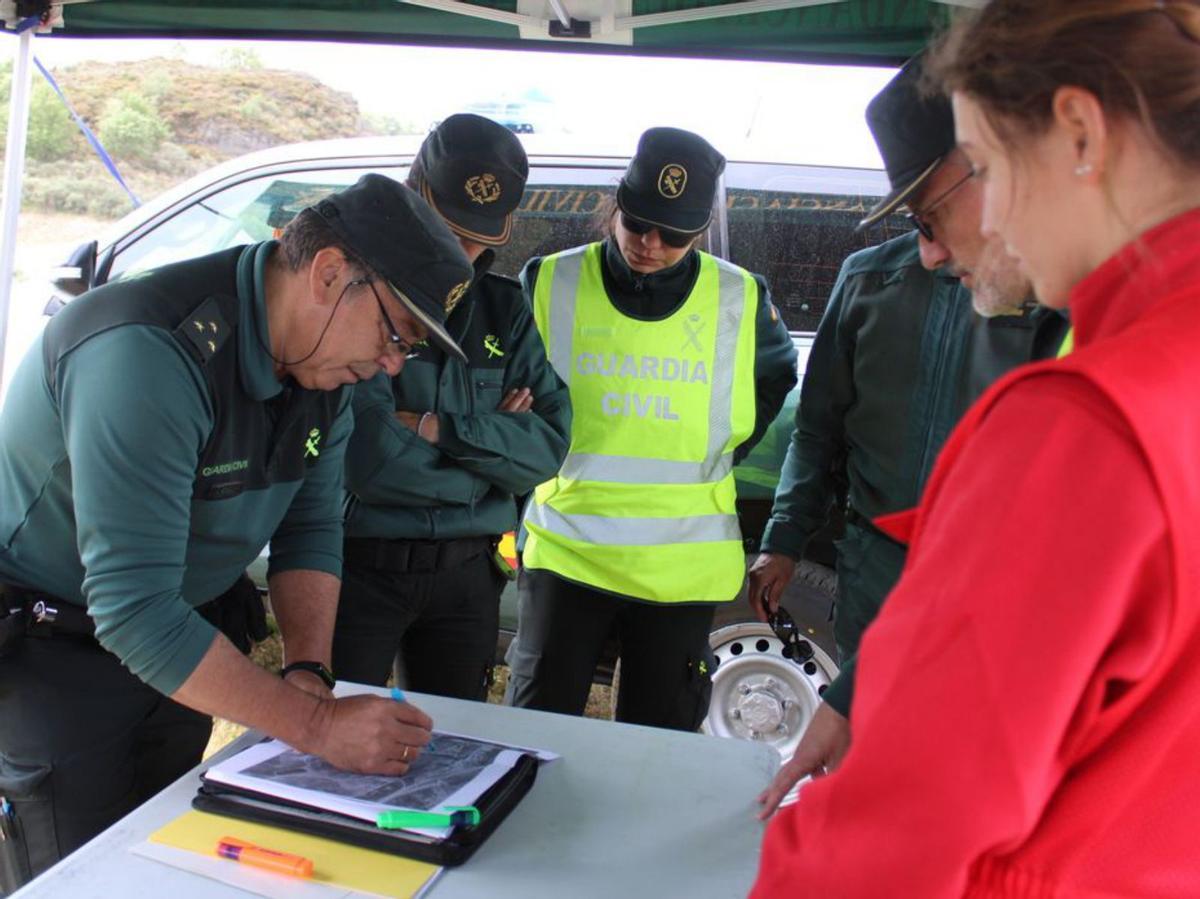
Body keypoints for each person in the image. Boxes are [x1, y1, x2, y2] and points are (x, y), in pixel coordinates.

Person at [753, 1, 1200, 895]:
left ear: (1078, 131)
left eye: (988, 166)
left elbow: (907, 828)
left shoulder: (1082, 421)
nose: (985, 216)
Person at [0, 173, 473, 885]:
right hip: (61, 652)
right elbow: (133, 610)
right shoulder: (149, 352)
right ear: (329, 272)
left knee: (165, 860)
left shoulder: (323, 371)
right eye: (394, 330)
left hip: (185, 644)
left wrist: (309, 672)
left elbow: (311, 524)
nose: (391, 363)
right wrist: (314, 728)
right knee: (82, 873)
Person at [749, 55, 1068, 778]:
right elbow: (818, 427)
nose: (928, 252)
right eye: (914, 224)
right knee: (872, 769)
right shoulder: (867, 282)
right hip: (877, 578)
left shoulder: (1062, 301)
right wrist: (785, 537)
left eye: (929, 216)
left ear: (986, 163)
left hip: (996, 601)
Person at [505, 127, 797, 731]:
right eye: (638, 223)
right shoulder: (548, 281)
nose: (651, 243)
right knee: (538, 732)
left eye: (674, 234)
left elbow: (774, 378)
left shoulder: (739, 297)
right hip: (567, 552)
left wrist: (718, 444)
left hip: (681, 569)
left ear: (700, 230)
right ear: (617, 204)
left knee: (657, 746)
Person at [333, 114, 570, 699]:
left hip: (468, 576)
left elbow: (547, 449)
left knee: (453, 746)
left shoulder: (504, 308)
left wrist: (434, 428)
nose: (458, 255)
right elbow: (370, 461)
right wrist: (489, 457)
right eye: (446, 230)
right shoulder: (354, 297)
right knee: (332, 741)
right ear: (413, 193)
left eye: (475, 240)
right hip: (361, 564)